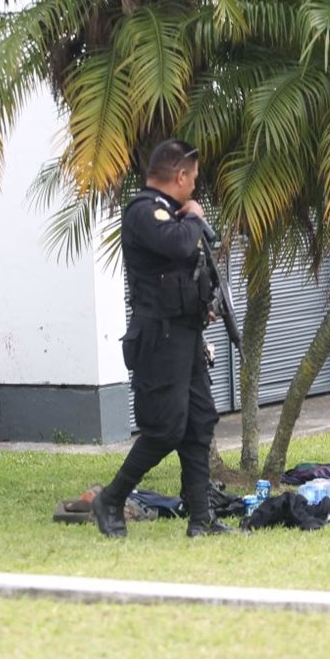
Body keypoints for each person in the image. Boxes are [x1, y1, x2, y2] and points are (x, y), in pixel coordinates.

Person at [92, 139, 233, 538]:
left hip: (185, 334)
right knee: (167, 426)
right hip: (160, 337)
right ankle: (112, 498)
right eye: (194, 179)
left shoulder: (172, 213)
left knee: (200, 420)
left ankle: (201, 519)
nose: (195, 188)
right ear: (181, 176)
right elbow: (178, 243)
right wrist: (195, 216)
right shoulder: (144, 211)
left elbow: (186, 267)